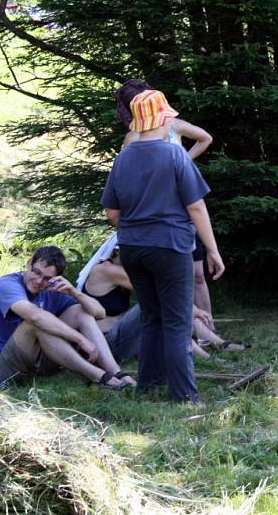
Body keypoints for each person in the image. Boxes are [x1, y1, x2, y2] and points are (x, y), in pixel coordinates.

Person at [102, 89, 225, 403]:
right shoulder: (174, 155)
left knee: (151, 316)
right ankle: (184, 395)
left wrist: (137, 227)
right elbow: (196, 207)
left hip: (131, 248)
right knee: (177, 320)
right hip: (170, 246)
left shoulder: (123, 157)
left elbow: (112, 214)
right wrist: (212, 250)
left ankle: (149, 385)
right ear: (162, 119)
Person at [115, 80, 217, 328]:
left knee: (198, 274)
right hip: (160, 218)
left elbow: (205, 138)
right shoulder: (132, 139)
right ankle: (190, 332)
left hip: (180, 209)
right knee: (169, 283)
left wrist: (185, 159)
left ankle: (210, 331)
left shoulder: (173, 125)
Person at [0, 245, 135, 389]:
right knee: (37, 323)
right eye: (36, 272)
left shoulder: (51, 289)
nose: (39, 281)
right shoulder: (7, 285)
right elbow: (34, 317)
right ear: (29, 263)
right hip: (2, 368)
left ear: (55, 278)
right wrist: (80, 339)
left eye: (46, 278)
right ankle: (99, 376)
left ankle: (117, 373)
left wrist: (74, 292)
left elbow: (99, 313)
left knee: (81, 311)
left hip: (38, 362)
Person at [76, 233, 246, 363]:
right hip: (106, 345)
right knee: (154, 305)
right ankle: (206, 356)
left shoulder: (122, 269)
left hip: (121, 338)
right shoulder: (107, 270)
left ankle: (219, 344)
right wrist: (193, 309)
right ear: (116, 252)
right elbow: (156, 291)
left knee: (162, 309)